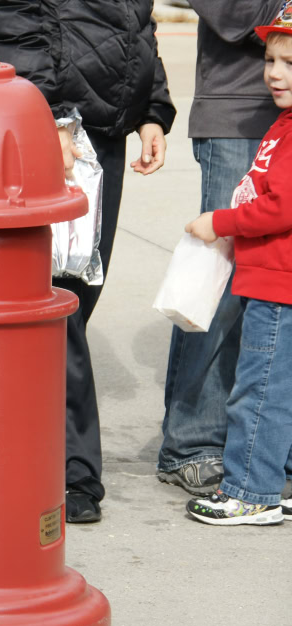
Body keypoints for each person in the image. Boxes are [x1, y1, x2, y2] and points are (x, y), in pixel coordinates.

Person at [0, 0, 175, 523]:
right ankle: (71, 471)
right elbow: (11, 19)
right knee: (55, 308)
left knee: (74, 301)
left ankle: (46, 457)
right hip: (54, 133)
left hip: (103, 137)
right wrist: (53, 118)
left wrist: (152, 109)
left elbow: (137, 25)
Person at [158, 0, 283, 497]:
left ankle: (266, 445)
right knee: (224, 285)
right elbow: (233, 15)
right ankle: (193, 442)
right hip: (240, 114)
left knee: (280, 290)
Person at [185, 4, 292, 526]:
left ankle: (251, 490)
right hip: (273, 279)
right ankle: (277, 475)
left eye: (290, 63)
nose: (274, 73)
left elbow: (280, 206)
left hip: (279, 287)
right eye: (271, 60)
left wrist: (221, 222)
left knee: (260, 388)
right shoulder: (283, 123)